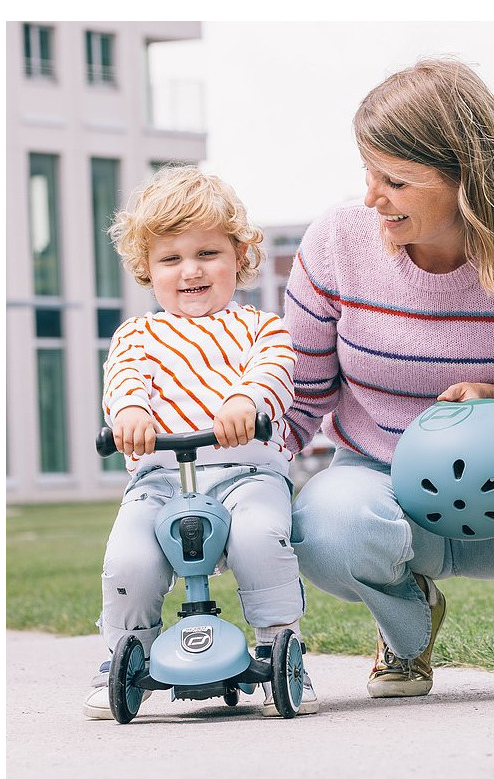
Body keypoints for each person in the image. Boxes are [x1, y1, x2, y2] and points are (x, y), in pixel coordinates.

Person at [282, 57, 494, 700]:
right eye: (368, 172)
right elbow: (300, 395)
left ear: (465, 178)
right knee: (322, 525)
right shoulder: (337, 242)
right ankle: (408, 626)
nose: (371, 197)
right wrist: (243, 477)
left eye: (396, 180)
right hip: (387, 503)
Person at [83, 165, 318, 719]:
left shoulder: (263, 327)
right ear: (147, 268)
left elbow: (274, 372)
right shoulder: (139, 335)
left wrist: (247, 403)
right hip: (160, 479)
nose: (190, 270)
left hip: (247, 473)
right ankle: (124, 655)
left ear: (240, 255)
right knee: (128, 560)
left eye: (207, 253)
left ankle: (279, 648)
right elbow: (125, 380)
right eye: (170, 258)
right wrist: (132, 413)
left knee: (262, 539)